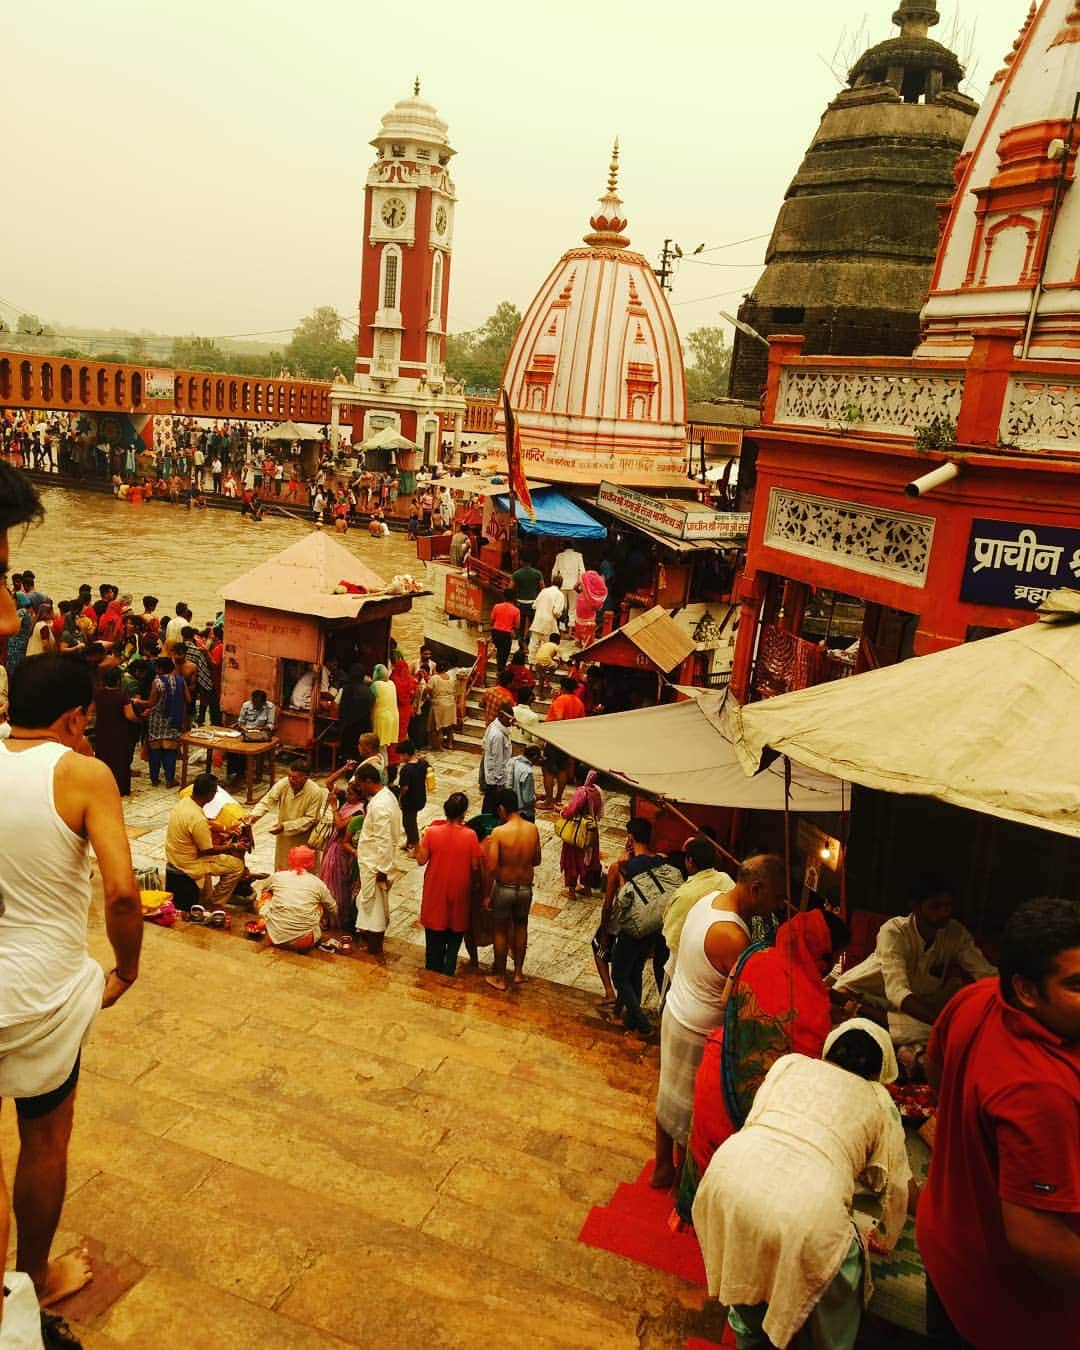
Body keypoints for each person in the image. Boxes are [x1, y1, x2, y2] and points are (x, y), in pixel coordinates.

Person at [0, 653, 142, 1314]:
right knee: (44, 1138)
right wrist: (126, 968)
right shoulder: (84, 774)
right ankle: (29, 1282)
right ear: (68, 718)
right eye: (84, 722)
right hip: (42, 993)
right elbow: (121, 895)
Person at [916, 897, 1080, 1350]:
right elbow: (1037, 1238)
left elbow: (936, 1066)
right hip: (1002, 1310)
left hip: (945, 1245)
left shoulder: (979, 997)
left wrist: (970, 1138)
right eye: (1078, 984)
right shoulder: (1039, 1090)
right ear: (1027, 990)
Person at [692, 1021, 911, 1350]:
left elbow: (760, 1116)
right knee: (841, 1272)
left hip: (729, 1176)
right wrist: (884, 1236)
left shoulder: (790, 1064)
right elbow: (896, 1188)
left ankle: (750, 1334)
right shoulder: (879, 1099)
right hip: (809, 1213)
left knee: (747, 1257)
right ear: (882, 1070)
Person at [677, 908, 846, 1223]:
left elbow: (728, 999)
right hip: (758, 1106)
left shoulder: (754, 954)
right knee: (737, 1187)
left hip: (719, 1069)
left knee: (707, 1160)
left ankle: (695, 1223)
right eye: (833, 958)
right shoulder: (814, 1003)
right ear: (821, 956)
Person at [653, 853, 789, 1190]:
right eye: (777, 897)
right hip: (698, 1030)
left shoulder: (710, 899)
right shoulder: (732, 936)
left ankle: (661, 1168)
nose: (778, 905)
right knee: (690, 1111)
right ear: (756, 888)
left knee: (668, 1095)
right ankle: (679, 1187)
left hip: (676, 1011)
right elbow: (740, 998)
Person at [833, 872, 996, 1073]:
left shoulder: (955, 934)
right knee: (942, 1032)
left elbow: (985, 973)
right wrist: (940, 1024)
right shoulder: (894, 932)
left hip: (903, 1011)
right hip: (858, 996)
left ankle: (906, 1051)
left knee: (957, 995)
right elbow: (897, 993)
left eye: (948, 906)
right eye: (936, 906)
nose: (944, 913)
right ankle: (906, 1047)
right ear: (914, 906)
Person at [599, 817, 684, 1035]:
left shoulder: (624, 866)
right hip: (653, 926)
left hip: (632, 928)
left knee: (619, 975)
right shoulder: (661, 860)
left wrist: (605, 931)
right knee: (635, 971)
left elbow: (616, 902)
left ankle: (643, 1024)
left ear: (630, 837)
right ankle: (631, 1021)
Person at [415, 791, 484, 976]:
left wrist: (418, 842)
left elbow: (421, 860)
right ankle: (447, 973)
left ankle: (432, 973)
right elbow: (476, 867)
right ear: (463, 813)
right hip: (459, 892)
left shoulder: (431, 832)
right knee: (454, 940)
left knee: (433, 942)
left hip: (435, 890)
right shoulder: (470, 836)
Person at [483, 787, 542, 993]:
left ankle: (500, 976)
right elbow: (537, 860)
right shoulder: (532, 829)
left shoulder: (499, 832)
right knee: (521, 927)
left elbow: (491, 866)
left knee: (500, 930)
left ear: (501, 809)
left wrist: (487, 894)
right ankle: (518, 972)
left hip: (504, 887)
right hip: (525, 888)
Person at [166, 772, 247, 906]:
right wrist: (233, 846)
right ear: (210, 794)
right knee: (237, 866)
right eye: (215, 791)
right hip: (188, 863)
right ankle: (214, 904)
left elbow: (204, 824)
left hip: (174, 855)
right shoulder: (197, 818)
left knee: (219, 856)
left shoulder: (185, 803)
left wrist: (225, 829)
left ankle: (207, 895)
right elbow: (207, 850)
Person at [661, 836, 734, 978]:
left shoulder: (685, 894)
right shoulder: (726, 880)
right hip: (722, 962)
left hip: (689, 966)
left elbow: (672, 939)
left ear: (689, 861)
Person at [352, 763, 403, 955]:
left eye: (359, 784)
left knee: (374, 910)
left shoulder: (381, 804)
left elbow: (384, 839)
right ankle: (372, 945)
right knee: (371, 905)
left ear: (368, 781)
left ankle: (374, 948)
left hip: (375, 866)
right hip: (373, 863)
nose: (359, 789)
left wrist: (383, 869)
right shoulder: (385, 797)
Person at [247, 764, 327, 871]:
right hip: (284, 837)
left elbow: (310, 819)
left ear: (305, 778)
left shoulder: (315, 792)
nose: (290, 780)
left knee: (302, 870)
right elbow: (268, 800)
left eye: (294, 778)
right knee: (283, 866)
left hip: (303, 837)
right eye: (289, 776)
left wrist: (285, 826)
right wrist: (254, 816)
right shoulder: (284, 783)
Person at [257, 845, 334, 951]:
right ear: (311, 863)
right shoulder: (318, 883)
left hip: (274, 937)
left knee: (266, 896)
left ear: (290, 860)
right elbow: (333, 907)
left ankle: (270, 924)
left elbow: (259, 887)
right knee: (319, 905)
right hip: (303, 942)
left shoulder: (278, 876)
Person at [318, 761, 363, 929]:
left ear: (359, 796)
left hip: (342, 851)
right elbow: (328, 783)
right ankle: (326, 917)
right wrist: (344, 769)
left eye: (351, 794)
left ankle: (337, 918)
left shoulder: (359, 810)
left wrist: (334, 807)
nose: (347, 796)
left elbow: (340, 825)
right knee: (327, 881)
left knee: (337, 884)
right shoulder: (348, 800)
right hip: (333, 845)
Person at [142, 653, 189, 787]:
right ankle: (170, 779)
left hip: (157, 719)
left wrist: (139, 702)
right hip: (174, 719)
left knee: (155, 748)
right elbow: (188, 698)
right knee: (170, 749)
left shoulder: (157, 682)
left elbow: (151, 702)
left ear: (160, 669)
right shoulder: (180, 680)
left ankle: (155, 779)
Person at [92, 666, 139, 796]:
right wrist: (139, 719)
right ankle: (120, 788)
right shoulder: (122, 696)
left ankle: (103, 786)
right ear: (118, 681)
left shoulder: (98, 694)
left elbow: (92, 710)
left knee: (104, 757)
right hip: (119, 732)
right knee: (120, 760)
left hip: (102, 730)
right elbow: (129, 715)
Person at [558, 767, 602, 901]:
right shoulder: (597, 791)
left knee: (572, 859)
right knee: (589, 859)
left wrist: (562, 812)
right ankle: (587, 888)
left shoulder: (581, 792)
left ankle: (571, 891)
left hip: (578, 831)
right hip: (592, 829)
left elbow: (571, 811)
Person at [396, 739, 429, 852]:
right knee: (412, 820)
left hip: (409, 801)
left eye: (400, 755)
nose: (400, 758)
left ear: (405, 754)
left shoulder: (406, 770)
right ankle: (409, 842)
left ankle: (416, 848)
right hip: (420, 797)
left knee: (409, 823)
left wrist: (399, 798)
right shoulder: (423, 763)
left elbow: (404, 788)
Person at [481, 705, 513, 815]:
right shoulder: (498, 735)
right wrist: (499, 781)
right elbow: (497, 760)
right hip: (495, 778)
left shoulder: (495, 726)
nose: (510, 722)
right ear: (500, 716)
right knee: (492, 803)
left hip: (493, 775)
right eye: (508, 719)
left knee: (490, 800)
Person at [337, 664, 372, 762]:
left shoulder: (347, 689)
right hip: (363, 726)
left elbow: (341, 708)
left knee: (349, 751)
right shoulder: (368, 690)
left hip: (349, 727)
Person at [528, 579, 565, 661]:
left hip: (538, 620)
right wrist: (560, 615)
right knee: (547, 646)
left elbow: (534, 606)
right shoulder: (559, 595)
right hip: (549, 622)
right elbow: (556, 612)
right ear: (561, 584)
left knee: (533, 644)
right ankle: (543, 662)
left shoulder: (544, 591)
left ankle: (531, 662)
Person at [506, 743, 542, 820]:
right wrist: (536, 797)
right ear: (535, 756)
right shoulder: (527, 772)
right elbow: (527, 800)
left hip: (510, 808)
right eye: (538, 758)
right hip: (523, 813)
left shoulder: (512, 761)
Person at [552, 545, 585, 628]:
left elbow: (554, 572)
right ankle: (570, 630)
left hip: (562, 585)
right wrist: (579, 583)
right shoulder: (578, 555)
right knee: (573, 609)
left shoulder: (559, 556)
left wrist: (555, 584)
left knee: (562, 608)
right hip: (574, 586)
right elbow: (582, 571)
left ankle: (562, 629)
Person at [573, 570, 608, 647]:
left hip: (581, 600)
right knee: (590, 622)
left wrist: (581, 591)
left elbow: (574, 587)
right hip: (590, 602)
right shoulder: (598, 581)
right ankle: (588, 640)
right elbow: (602, 590)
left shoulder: (583, 577)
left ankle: (578, 641)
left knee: (579, 621)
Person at [512, 557, 543, 640]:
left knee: (521, 624)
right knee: (532, 623)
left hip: (520, 603)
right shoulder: (538, 573)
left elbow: (510, 588)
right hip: (533, 603)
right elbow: (543, 588)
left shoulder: (516, 574)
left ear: (521, 561)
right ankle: (530, 639)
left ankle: (521, 640)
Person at [489, 587, 520, 672]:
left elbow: (492, 620)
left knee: (498, 652)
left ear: (504, 596)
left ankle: (499, 669)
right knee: (504, 654)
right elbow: (517, 626)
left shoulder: (496, 606)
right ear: (514, 598)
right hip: (506, 635)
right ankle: (500, 671)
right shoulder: (516, 610)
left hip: (495, 633)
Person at [370, 662, 399, 750]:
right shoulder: (391, 683)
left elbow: (372, 701)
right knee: (384, 747)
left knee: (378, 747)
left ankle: (381, 764)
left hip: (381, 718)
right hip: (393, 717)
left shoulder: (376, 685)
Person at [390, 659, 417, 752]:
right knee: (403, 731)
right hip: (407, 708)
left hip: (396, 708)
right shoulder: (410, 680)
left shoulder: (393, 679)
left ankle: (394, 753)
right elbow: (413, 694)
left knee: (394, 732)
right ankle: (401, 752)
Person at [429, 661, 457, 749]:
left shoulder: (434, 678)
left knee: (439, 726)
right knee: (449, 726)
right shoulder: (451, 678)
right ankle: (450, 744)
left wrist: (429, 695)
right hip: (450, 703)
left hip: (439, 703)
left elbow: (428, 689)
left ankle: (439, 745)